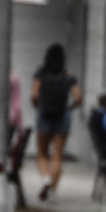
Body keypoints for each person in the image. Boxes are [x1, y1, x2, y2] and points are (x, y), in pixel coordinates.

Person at [31, 44, 82, 201]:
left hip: (45, 114)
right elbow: (78, 97)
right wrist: (69, 108)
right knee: (57, 154)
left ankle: (46, 178)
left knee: (42, 153)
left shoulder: (40, 75)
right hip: (62, 116)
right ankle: (53, 189)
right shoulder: (68, 76)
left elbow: (34, 96)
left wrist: (39, 107)